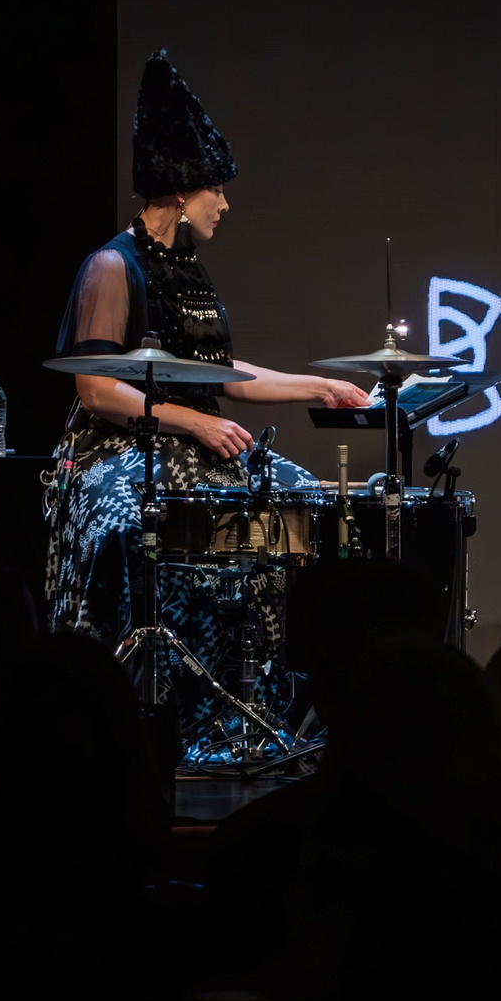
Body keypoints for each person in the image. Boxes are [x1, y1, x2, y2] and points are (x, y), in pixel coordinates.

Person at [44, 53, 368, 641]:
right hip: (122, 448)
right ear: (178, 191)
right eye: (214, 189)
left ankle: (252, 684)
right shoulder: (112, 266)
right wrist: (192, 422)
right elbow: (94, 389)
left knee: (299, 508)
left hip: (194, 442)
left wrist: (320, 387)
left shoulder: (189, 273)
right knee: (127, 526)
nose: (224, 204)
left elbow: (218, 373)